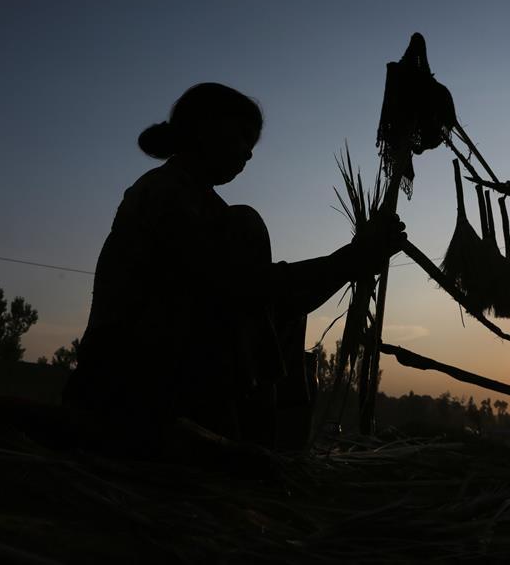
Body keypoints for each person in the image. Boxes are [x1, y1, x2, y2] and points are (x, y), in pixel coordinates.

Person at [62, 83, 405, 458]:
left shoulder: (207, 208)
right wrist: (350, 260)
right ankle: (242, 439)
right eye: (242, 137)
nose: (248, 154)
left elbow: (270, 304)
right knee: (247, 225)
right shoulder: (164, 195)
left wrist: (353, 261)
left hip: (170, 383)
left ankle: (260, 442)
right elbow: (244, 289)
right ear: (203, 129)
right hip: (130, 383)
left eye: (252, 144)